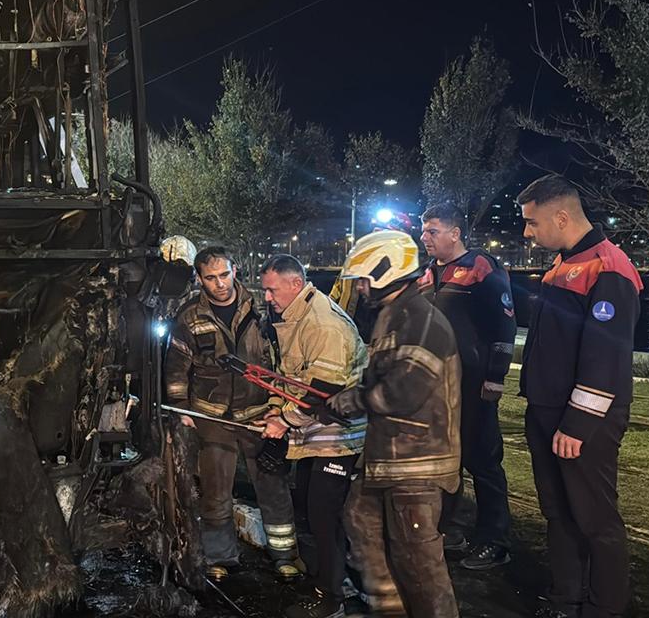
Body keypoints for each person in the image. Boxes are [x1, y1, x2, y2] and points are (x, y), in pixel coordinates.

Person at [516, 175, 642, 618]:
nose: (527, 233)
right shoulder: (564, 263)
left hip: (583, 420)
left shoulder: (608, 268)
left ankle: (604, 607)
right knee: (558, 513)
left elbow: (604, 359)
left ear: (561, 216)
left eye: (532, 223)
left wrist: (577, 424)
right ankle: (566, 599)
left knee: (595, 520)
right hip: (547, 411)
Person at [326, 231, 461, 618]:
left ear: (385, 272)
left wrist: (354, 400)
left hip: (417, 464)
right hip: (389, 457)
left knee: (420, 566)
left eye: (364, 279)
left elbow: (404, 390)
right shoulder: (394, 316)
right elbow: (382, 377)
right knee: (359, 517)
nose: (361, 288)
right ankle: (391, 608)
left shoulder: (419, 319)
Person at [163, 246, 300, 580]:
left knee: (272, 487)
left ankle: (285, 555)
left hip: (259, 414)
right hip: (213, 418)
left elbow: (280, 359)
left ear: (235, 270)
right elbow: (177, 369)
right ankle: (220, 558)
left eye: (224, 275)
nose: (219, 283)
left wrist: (279, 409)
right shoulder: (189, 317)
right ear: (199, 279)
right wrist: (181, 409)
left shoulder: (262, 308)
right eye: (210, 278)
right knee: (215, 491)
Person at [258, 255, 367, 618]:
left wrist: (283, 422)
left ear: (294, 284)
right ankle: (338, 581)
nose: (268, 298)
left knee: (323, 512)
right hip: (317, 431)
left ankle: (332, 598)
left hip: (338, 432)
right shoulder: (295, 316)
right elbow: (287, 374)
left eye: (272, 290)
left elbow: (324, 388)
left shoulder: (322, 323)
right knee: (312, 505)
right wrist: (275, 408)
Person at [418, 203, 516, 569]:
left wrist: (496, 376)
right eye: (424, 230)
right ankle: (452, 532)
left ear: (455, 233)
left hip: (474, 385)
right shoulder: (427, 274)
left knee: (483, 463)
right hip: (436, 388)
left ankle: (495, 541)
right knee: (446, 462)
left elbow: (505, 326)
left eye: (432, 231)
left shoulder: (481, 268)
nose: (424, 237)